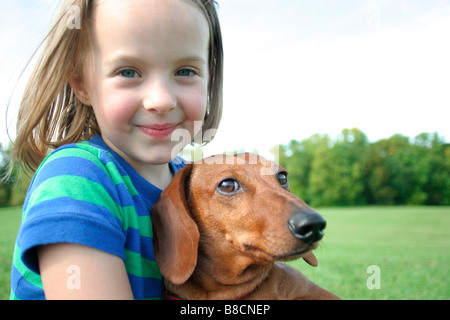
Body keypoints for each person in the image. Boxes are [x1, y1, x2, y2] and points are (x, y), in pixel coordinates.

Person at [9, 0, 223, 300]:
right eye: (128, 72)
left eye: (186, 71)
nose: (161, 100)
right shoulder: (76, 181)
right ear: (82, 83)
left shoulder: (195, 182)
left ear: (209, 77)